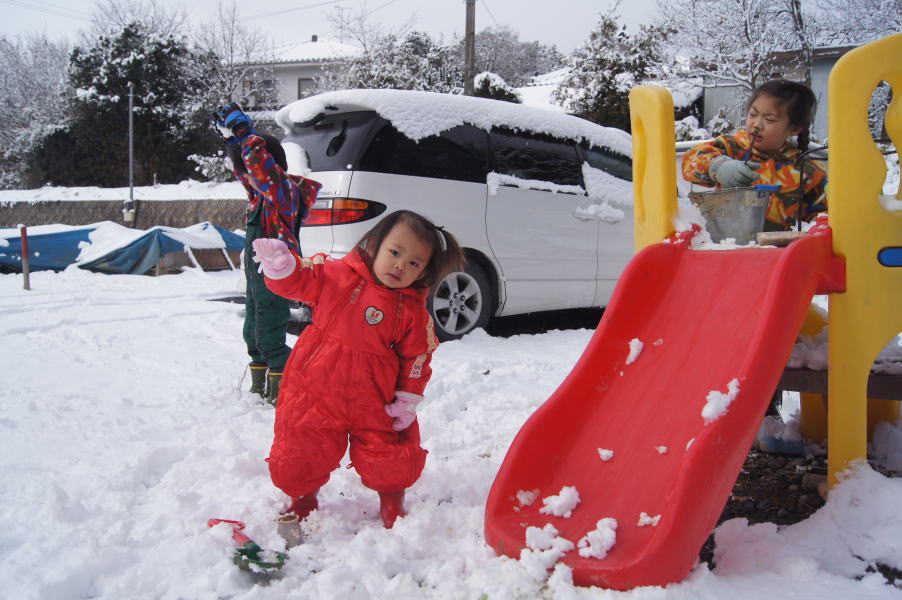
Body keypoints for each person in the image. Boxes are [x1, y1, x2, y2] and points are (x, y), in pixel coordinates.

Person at [251, 210, 465, 528]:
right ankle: (303, 498)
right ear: (374, 245)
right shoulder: (337, 275)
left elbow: (418, 359)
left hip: (375, 397)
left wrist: (407, 399)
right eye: (395, 252)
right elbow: (302, 280)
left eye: (414, 263)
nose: (400, 266)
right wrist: (283, 267)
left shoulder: (411, 311)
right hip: (316, 389)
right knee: (303, 445)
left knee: (388, 451)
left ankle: (392, 500)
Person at [213, 103, 322, 404]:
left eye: (255, 165)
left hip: (277, 278)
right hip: (256, 278)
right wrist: (233, 142)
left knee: (269, 336)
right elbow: (246, 172)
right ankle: (260, 388)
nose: (249, 174)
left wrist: (246, 135)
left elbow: (260, 171)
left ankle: (284, 392)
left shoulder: (283, 192)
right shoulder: (259, 196)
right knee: (253, 333)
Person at [682, 80, 827, 231]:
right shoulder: (732, 148)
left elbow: (822, 222)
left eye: (770, 120)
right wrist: (717, 167)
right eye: (753, 114)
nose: (757, 124)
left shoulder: (808, 172)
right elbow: (689, 160)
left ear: (794, 129)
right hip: (728, 246)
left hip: (781, 252)